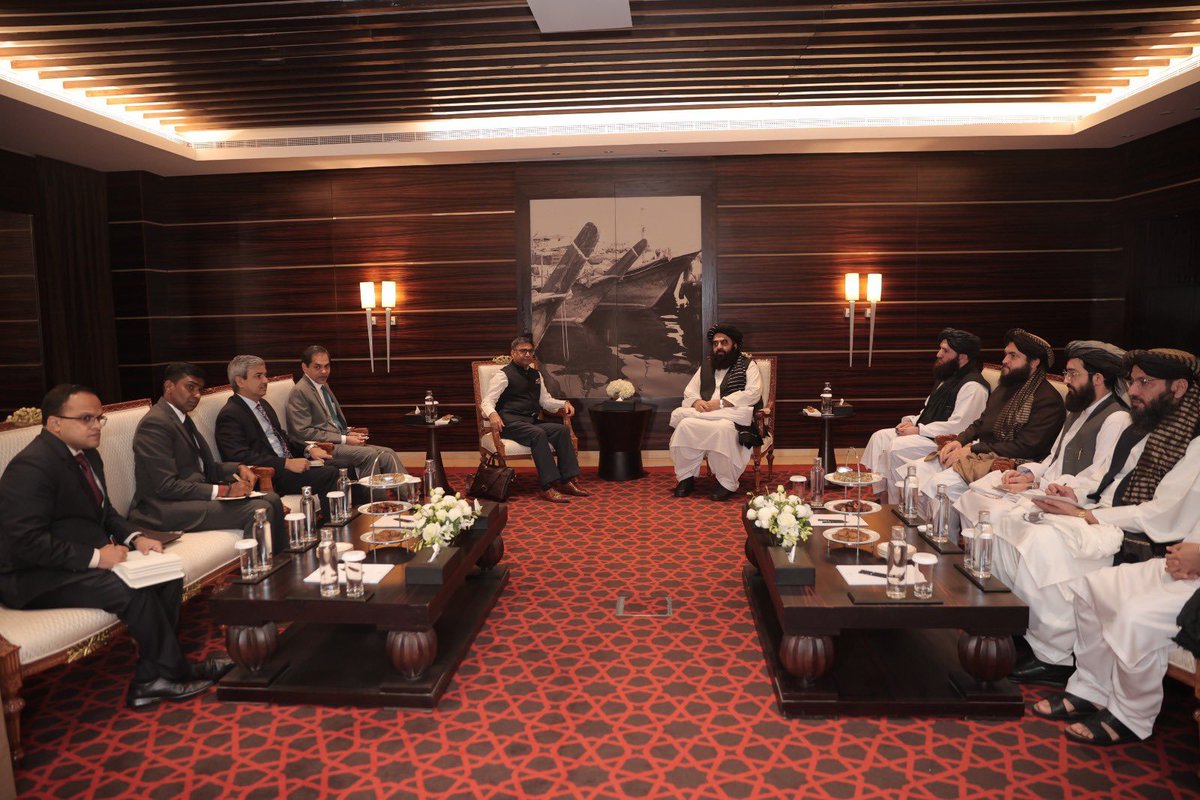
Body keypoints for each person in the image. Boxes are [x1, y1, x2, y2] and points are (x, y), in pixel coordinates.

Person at [0, 384, 227, 709]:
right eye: (86, 419)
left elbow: (105, 513)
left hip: (73, 563)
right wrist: (97, 557)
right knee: (131, 590)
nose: (96, 426)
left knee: (166, 575)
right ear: (55, 424)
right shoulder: (32, 467)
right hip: (33, 576)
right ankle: (167, 674)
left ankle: (159, 675)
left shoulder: (87, 455)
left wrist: (136, 538)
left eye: (99, 418)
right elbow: (25, 542)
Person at [1005, 348, 1200, 688]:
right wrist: (1074, 495)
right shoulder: (1145, 426)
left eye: (1144, 382)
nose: (1133, 391)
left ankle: (1055, 655)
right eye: (1132, 381)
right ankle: (1023, 630)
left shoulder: (1189, 441)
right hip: (1102, 512)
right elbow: (1105, 476)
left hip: (1139, 534)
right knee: (1018, 519)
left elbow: (1162, 515)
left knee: (1043, 539)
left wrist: (1086, 514)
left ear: (1179, 388)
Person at [956, 340, 1129, 528]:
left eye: (1072, 374)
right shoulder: (1078, 410)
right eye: (1066, 373)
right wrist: (1029, 475)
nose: (1066, 380)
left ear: (1097, 379)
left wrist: (1042, 486)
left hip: (1073, 503)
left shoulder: (1116, 418)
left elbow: (1098, 478)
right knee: (974, 498)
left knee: (997, 513)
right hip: (1048, 491)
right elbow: (1054, 458)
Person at [899, 328, 1066, 521]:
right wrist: (960, 441)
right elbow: (980, 422)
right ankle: (918, 529)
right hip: (980, 453)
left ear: (1034, 362)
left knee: (940, 486)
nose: (1005, 360)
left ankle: (942, 537)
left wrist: (972, 449)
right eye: (1006, 354)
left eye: (1013, 356)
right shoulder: (1006, 387)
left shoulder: (1048, 400)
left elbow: (1026, 447)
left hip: (1008, 465)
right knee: (916, 471)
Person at [128, 362, 286, 550]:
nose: (196, 395)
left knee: (272, 499)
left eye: (199, 390)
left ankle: (280, 561)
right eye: (190, 387)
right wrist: (224, 491)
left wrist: (238, 468)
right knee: (259, 509)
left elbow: (204, 467)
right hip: (164, 508)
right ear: (169, 386)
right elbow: (166, 486)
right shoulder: (155, 423)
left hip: (191, 498)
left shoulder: (182, 418)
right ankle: (255, 565)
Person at [861, 328, 989, 501]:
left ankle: (897, 503)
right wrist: (911, 422)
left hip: (948, 442)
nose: (938, 354)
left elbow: (960, 426)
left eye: (945, 351)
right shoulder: (947, 377)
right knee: (880, 437)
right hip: (928, 433)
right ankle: (883, 497)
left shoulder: (973, 387)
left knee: (897, 447)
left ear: (962, 357)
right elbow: (929, 410)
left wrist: (919, 430)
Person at [215, 355, 339, 513]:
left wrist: (308, 449)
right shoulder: (230, 415)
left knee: (340, 465)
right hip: (270, 475)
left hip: (288, 466)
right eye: (258, 376)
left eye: (265, 375)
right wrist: (286, 463)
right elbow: (239, 457)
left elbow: (282, 438)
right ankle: (333, 523)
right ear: (240, 381)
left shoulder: (263, 404)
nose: (265, 380)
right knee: (330, 473)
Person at [479, 335, 588, 503]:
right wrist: (493, 414)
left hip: (530, 421)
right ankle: (547, 486)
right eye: (523, 351)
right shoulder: (503, 375)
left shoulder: (536, 374)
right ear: (513, 353)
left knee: (561, 430)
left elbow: (545, 401)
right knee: (537, 433)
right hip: (509, 423)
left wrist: (563, 403)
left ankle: (566, 480)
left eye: (530, 351)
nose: (527, 354)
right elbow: (487, 401)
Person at [669, 324, 763, 501]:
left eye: (724, 342)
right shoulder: (706, 366)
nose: (719, 346)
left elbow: (753, 393)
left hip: (730, 415)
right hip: (704, 414)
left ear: (735, 345)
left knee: (722, 429)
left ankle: (726, 482)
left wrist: (721, 403)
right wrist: (696, 402)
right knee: (685, 425)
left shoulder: (748, 365)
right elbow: (690, 391)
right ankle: (686, 478)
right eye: (715, 343)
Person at [286, 345, 405, 479]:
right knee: (369, 455)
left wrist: (347, 432)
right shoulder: (300, 392)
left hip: (337, 440)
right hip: (325, 447)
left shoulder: (323, 385)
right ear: (304, 367)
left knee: (388, 454)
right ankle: (370, 493)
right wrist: (345, 439)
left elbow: (331, 420)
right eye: (317, 367)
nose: (324, 371)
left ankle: (409, 491)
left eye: (327, 366)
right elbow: (303, 432)